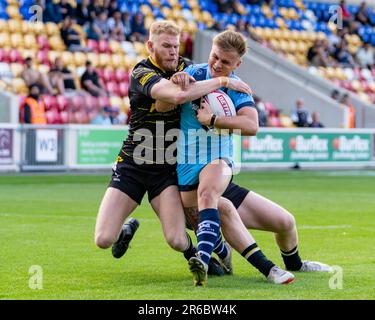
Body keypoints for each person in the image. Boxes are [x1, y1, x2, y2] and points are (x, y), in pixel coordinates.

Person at [94, 21, 254, 282]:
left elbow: (202, 85)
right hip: (134, 163)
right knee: (102, 239)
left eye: (175, 46)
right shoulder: (141, 72)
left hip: (167, 168)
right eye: (165, 46)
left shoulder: (185, 67)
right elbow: (175, 96)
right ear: (150, 46)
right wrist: (224, 80)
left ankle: (201, 254)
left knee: (177, 239)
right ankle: (125, 229)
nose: (172, 51)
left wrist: (218, 82)